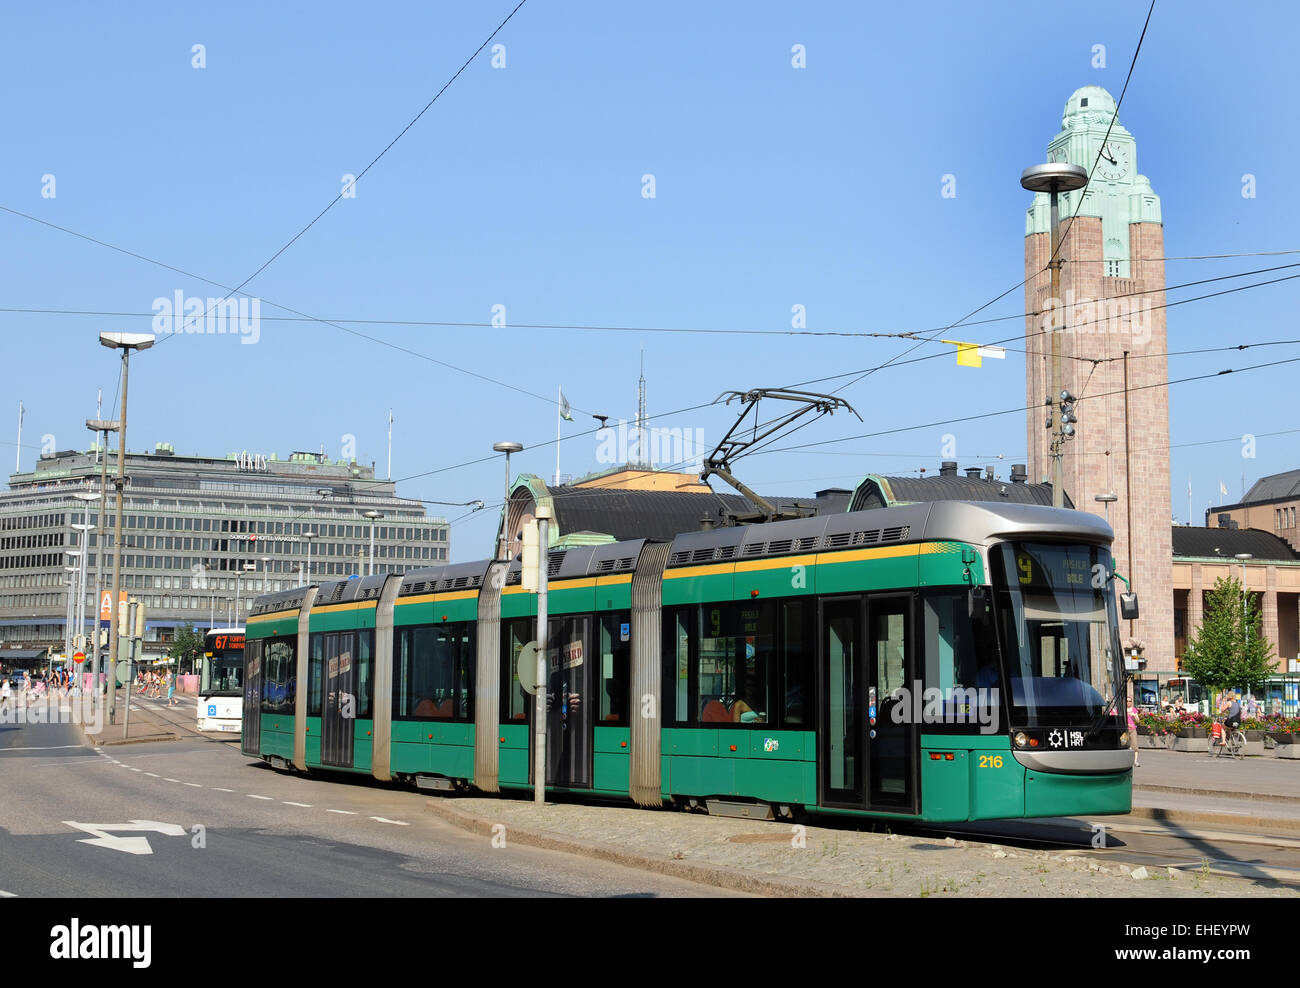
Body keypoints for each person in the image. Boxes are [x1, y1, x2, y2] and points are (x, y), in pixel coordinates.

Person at [1127, 694, 1141, 768]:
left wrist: (1135, 715)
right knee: (1123, 745)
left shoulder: (1133, 710)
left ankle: (1135, 761)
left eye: (1130, 701)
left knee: (1134, 745)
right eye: (1127, 701)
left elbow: (1138, 721)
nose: (1128, 702)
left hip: (1132, 729)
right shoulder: (1121, 709)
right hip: (1124, 730)